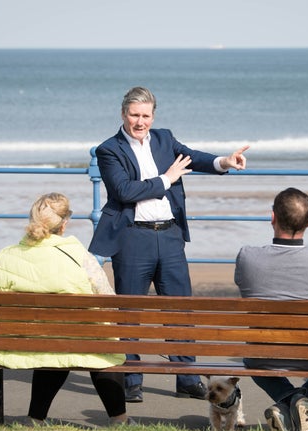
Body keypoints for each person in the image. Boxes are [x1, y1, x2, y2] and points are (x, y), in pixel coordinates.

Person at [88, 86, 249, 403]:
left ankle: (187, 378)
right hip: (133, 237)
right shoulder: (108, 150)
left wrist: (224, 161)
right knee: (130, 311)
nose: (140, 122)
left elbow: (194, 158)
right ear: (123, 114)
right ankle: (131, 379)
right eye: (134, 115)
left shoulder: (164, 138)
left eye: (145, 115)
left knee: (180, 309)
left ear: (153, 115)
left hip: (171, 235)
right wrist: (167, 178)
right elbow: (123, 191)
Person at [0, 192, 133, 426]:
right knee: (99, 346)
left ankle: (36, 418)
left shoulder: (5, 256)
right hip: (74, 340)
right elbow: (109, 301)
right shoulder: (79, 256)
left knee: (54, 343)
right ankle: (120, 419)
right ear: (64, 224)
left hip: (21, 343)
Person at [234, 187, 308, 431]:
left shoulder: (247, 257)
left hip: (262, 355)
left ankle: (286, 402)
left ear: (272, 217)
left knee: (253, 361)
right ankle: (303, 402)